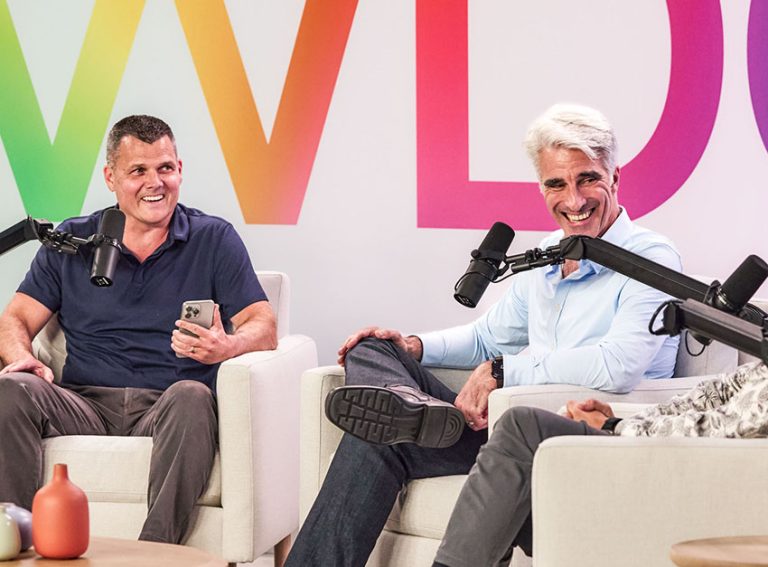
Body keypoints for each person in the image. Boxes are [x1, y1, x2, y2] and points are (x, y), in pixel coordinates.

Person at [285, 104, 682, 566]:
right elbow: (487, 338)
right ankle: (406, 405)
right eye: (556, 184)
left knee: (377, 436)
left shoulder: (650, 258)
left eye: (587, 179)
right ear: (542, 188)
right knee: (375, 350)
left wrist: (503, 371)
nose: (574, 200)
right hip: (505, 429)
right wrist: (413, 346)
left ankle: (409, 412)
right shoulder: (550, 255)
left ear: (615, 178)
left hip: (569, 435)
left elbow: (620, 365)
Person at [0, 115, 277, 544]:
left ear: (179, 169)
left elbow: (264, 325)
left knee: (193, 396)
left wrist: (227, 346)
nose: (155, 182)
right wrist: (23, 357)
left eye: (165, 168)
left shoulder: (212, 238)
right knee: (11, 388)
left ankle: (155, 550)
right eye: (138, 171)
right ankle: (15, 540)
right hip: (83, 403)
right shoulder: (74, 240)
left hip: (168, 403)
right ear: (111, 178)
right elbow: (14, 319)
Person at [432, 359, 768, 566]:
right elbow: (700, 400)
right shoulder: (760, 366)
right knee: (519, 465)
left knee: (523, 431)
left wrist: (617, 427)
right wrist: (618, 422)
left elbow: (727, 428)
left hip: (699, 478)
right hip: (661, 453)